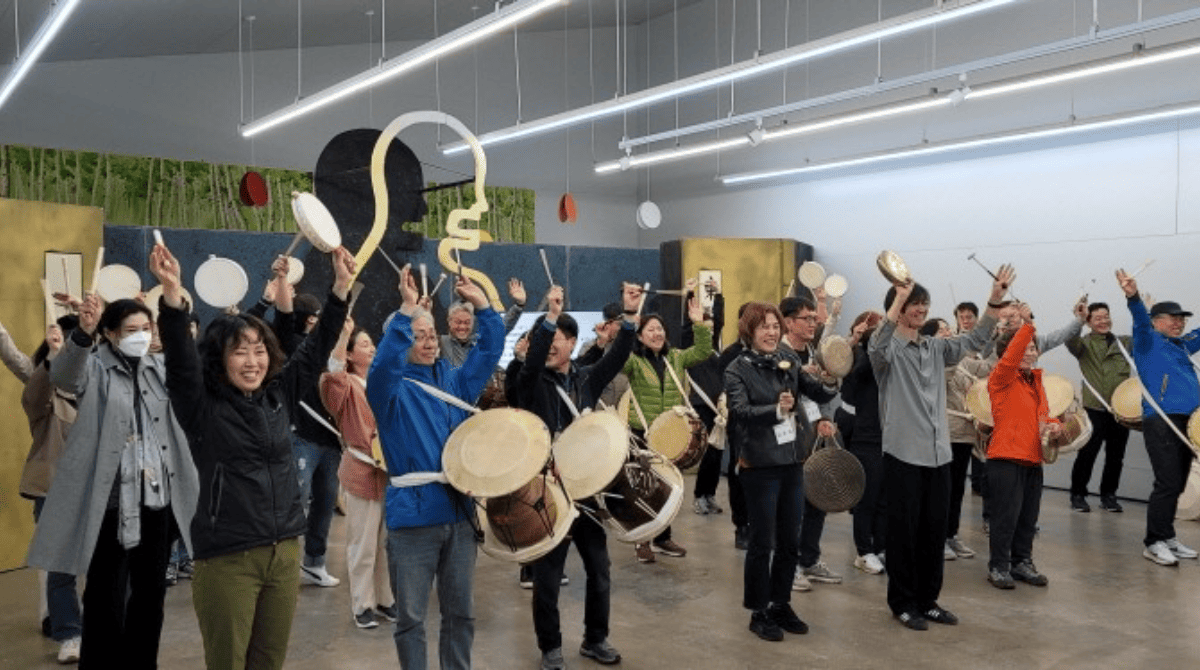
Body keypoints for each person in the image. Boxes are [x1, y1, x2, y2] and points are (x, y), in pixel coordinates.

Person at [153, 243, 353, 670]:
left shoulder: (278, 395)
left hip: (283, 554)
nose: (252, 361)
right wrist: (172, 295)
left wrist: (340, 288)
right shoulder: (201, 407)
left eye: (259, 350)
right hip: (228, 558)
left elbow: (315, 349)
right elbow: (180, 363)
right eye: (240, 351)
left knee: (268, 662)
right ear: (219, 359)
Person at [28, 293, 200, 669]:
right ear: (110, 334)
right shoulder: (94, 368)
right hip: (109, 505)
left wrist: (174, 303)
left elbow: (189, 374)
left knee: (150, 595)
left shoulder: (158, 368)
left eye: (145, 328)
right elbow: (64, 377)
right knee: (105, 595)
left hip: (156, 503)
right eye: (130, 331)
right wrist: (83, 334)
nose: (140, 336)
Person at [367, 267, 503, 670]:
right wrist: (407, 314)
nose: (427, 342)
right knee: (410, 619)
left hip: (460, 515)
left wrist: (482, 305)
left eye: (430, 335)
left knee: (461, 614)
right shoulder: (388, 391)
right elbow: (383, 366)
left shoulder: (455, 382)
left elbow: (488, 351)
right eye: (417, 336)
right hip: (412, 519)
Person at [868, 267, 1010, 631]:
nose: (921, 309)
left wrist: (994, 298)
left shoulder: (936, 348)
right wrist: (900, 294)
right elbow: (877, 344)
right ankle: (902, 603)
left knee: (933, 531)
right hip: (903, 455)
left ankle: (928, 600)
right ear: (899, 308)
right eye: (914, 303)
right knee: (903, 533)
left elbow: (976, 337)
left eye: (924, 303)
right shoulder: (888, 352)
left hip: (939, 455)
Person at [514, 285, 637, 670]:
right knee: (548, 579)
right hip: (548, 493)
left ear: (574, 342)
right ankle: (550, 647)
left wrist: (630, 318)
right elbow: (531, 363)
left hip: (587, 493)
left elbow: (617, 357)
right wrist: (548, 318)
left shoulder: (585, 378)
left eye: (560, 338)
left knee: (600, 569)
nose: (551, 344)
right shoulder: (528, 379)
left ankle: (595, 639)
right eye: (544, 338)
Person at [725, 301, 836, 642]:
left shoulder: (786, 362)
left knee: (790, 541)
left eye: (775, 326)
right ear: (750, 331)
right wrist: (775, 410)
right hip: (759, 466)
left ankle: (780, 602)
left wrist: (834, 371)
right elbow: (740, 411)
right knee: (762, 543)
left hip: (792, 463)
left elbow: (819, 391)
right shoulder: (736, 369)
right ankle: (758, 611)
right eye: (765, 327)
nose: (772, 332)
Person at [2, 315, 83, 663]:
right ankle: (66, 628)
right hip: (55, 488)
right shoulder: (43, 382)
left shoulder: (97, 385)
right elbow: (17, 362)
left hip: (97, 487)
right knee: (57, 564)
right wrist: (51, 358)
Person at [622, 283, 712, 562]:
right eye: (650, 330)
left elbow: (703, 352)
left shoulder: (676, 357)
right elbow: (617, 359)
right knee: (644, 488)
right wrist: (625, 324)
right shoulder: (634, 361)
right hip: (641, 432)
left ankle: (663, 538)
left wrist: (699, 324)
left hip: (670, 434)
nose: (657, 333)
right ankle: (642, 540)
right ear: (639, 335)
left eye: (660, 329)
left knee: (670, 487)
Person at [1116, 269, 1200, 566]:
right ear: (1156, 321)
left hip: (1186, 422)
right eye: (1172, 318)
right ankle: (1153, 542)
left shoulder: (1181, 345)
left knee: (1177, 484)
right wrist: (1133, 296)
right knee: (1167, 482)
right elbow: (1139, 318)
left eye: (1182, 319)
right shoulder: (1148, 341)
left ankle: (1168, 536)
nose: (1178, 323)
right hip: (1162, 421)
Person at [320, 318, 397, 629]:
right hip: (361, 470)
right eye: (365, 345)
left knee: (386, 544)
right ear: (350, 355)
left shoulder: (381, 381)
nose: (373, 348)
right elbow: (331, 378)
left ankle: (385, 599)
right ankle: (362, 604)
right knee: (362, 544)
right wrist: (344, 335)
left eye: (371, 343)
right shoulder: (345, 385)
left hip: (388, 472)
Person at [986, 307, 1057, 589]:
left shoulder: (1036, 381)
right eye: (1025, 348)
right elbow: (1012, 355)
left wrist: (1054, 426)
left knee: (1028, 518)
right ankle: (999, 566)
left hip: (1033, 458)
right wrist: (1027, 326)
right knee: (1006, 517)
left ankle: (1021, 562)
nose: (1030, 352)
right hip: (1006, 457)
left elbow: (1046, 414)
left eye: (1034, 348)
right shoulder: (1001, 378)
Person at [777, 295, 841, 591]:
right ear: (789, 322)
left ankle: (809, 559)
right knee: (791, 508)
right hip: (786, 442)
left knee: (818, 500)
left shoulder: (812, 352)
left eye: (815, 319)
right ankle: (786, 568)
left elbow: (819, 396)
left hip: (814, 438)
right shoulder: (777, 355)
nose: (813, 323)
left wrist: (823, 420)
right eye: (808, 318)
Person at [1065, 302, 1132, 513]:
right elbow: (1070, 340)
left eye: (1106, 316)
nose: (1103, 321)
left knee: (1116, 456)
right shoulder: (1083, 345)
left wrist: (1146, 316)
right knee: (1087, 453)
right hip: (1094, 409)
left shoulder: (1124, 343)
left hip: (1121, 411)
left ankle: (1109, 496)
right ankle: (1077, 494)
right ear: (1088, 322)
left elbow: (1147, 340)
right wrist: (1077, 319)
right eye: (1097, 318)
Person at [839, 311, 887, 575]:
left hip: (887, 437)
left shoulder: (887, 361)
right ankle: (863, 551)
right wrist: (856, 340)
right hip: (865, 437)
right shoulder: (860, 360)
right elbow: (852, 375)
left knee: (884, 499)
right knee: (866, 499)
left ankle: (880, 547)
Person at [440, 277, 526, 366]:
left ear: (472, 323)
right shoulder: (440, 344)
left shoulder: (478, 343)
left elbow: (500, 329)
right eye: (458, 322)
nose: (462, 327)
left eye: (467, 322)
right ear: (449, 322)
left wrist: (519, 305)